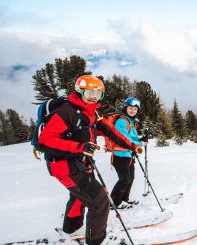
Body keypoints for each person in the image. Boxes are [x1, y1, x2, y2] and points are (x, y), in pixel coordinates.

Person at [37, 75, 143, 244]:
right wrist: (79, 147)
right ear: (80, 91)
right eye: (89, 92)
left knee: (79, 196)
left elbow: (110, 131)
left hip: (81, 164)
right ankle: (96, 241)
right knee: (99, 201)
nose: (94, 96)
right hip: (64, 166)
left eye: (98, 93)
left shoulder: (91, 112)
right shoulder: (67, 112)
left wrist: (130, 145)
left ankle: (71, 228)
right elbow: (44, 141)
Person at [110, 97, 145, 209]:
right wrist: (138, 144)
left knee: (130, 178)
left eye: (135, 109)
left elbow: (132, 137)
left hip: (128, 155)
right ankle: (114, 202)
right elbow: (123, 138)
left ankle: (124, 199)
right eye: (130, 108)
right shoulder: (121, 121)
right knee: (124, 179)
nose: (133, 111)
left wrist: (140, 141)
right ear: (125, 108)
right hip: (120, 156)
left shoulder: (131, 122)